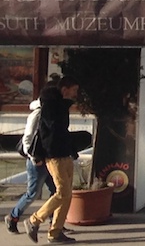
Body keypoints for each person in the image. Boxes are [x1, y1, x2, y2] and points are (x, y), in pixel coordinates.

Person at [24, 77, 80, 244]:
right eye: (74, 90)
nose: (76, 94)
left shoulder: (61, 106)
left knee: (67, 194)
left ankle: (55, 232)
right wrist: (41, 155)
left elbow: (63, 131)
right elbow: (51, 132)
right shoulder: (50, 107)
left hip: (64, 153)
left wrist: (71, 150)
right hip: (54, 155)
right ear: (65, 89)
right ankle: (34, 221)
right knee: (62, 192)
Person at [6, 99, 56, 233]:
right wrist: (34, 158)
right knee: (32, 193)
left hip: (49, 160)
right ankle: (13, 217)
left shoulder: (52, 113)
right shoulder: (38, 114)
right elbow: (27, 138)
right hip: (38, 160)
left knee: (56, 192)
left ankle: (55, 223)